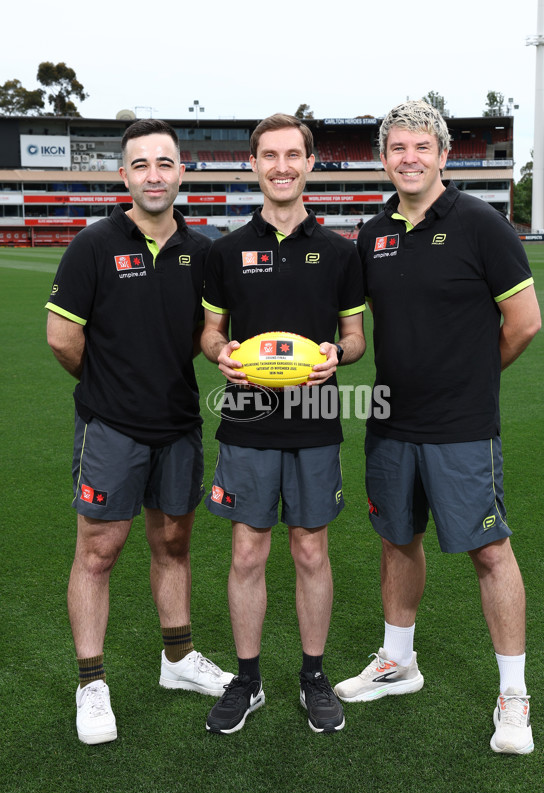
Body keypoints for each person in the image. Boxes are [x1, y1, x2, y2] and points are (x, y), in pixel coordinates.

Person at [333, 100, 542, 755]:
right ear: (385, 157)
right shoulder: (372, 234)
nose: (410, 158)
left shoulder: (483, 225)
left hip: (461, 426)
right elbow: (353, 328)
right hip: (392, 423)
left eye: (422, 147)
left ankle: (514, 695)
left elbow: (525, 321)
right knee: (398, 540)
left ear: (444, 155)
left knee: (489, 551)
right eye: (397, 148)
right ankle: (399, 661)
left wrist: (471, 379)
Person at [45, 119, 233, 745]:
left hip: (178, 425)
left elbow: (214, 337)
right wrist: (113, 390)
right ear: (124, 175)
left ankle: (177, 660)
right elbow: (63, 340)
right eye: (141, 164)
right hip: (112, 429)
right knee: (98, 552)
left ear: (181, 172)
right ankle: (91, 682)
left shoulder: (204, 251)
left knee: (174, 545)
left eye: (165, 163)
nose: (154, 175)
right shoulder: (93, 246)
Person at [200, 113, 366, 734]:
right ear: (253, 165)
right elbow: (212, 330)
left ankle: (313, 675)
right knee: (247, 552)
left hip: (317, 416)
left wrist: (335, 356)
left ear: (310, 163)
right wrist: (219, 352)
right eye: (269, 155)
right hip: (246, 417)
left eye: (292, 154)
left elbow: (355, 339)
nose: (281, 166)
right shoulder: (226, 251)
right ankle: (247, 680)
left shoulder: (341, 253)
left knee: (311, 548)